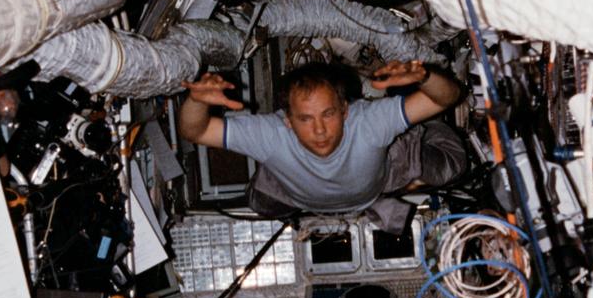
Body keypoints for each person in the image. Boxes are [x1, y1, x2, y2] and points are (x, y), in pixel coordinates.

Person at [179, 58, 467, 230]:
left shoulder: (368, 122)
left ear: (345, 110)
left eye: (328, 114)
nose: (319, 130)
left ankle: (422, 130)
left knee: (453, 166)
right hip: (298, 197)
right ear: (288, 121)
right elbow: (196, 131)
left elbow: (446, 97)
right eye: (305, 119)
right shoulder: (270, 134)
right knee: (259, 204)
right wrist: (196, 101)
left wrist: (426, 77)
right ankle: (277, 174)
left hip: (383, 177)